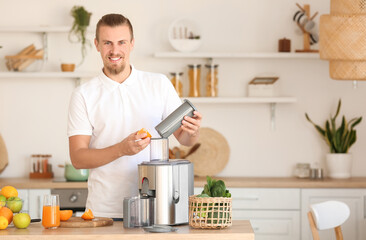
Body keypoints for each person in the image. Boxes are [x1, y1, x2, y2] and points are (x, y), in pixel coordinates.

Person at [67, 13, 202, 219]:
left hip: (157, 210)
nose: (114, 50)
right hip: (105, 213)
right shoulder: (84, 94)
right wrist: (121, 149)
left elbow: (183, 138)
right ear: (96, 44)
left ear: (131, 44)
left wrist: (193, 132)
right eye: (107, 43)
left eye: (121, 42)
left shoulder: (159, 84)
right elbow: (78, 158)